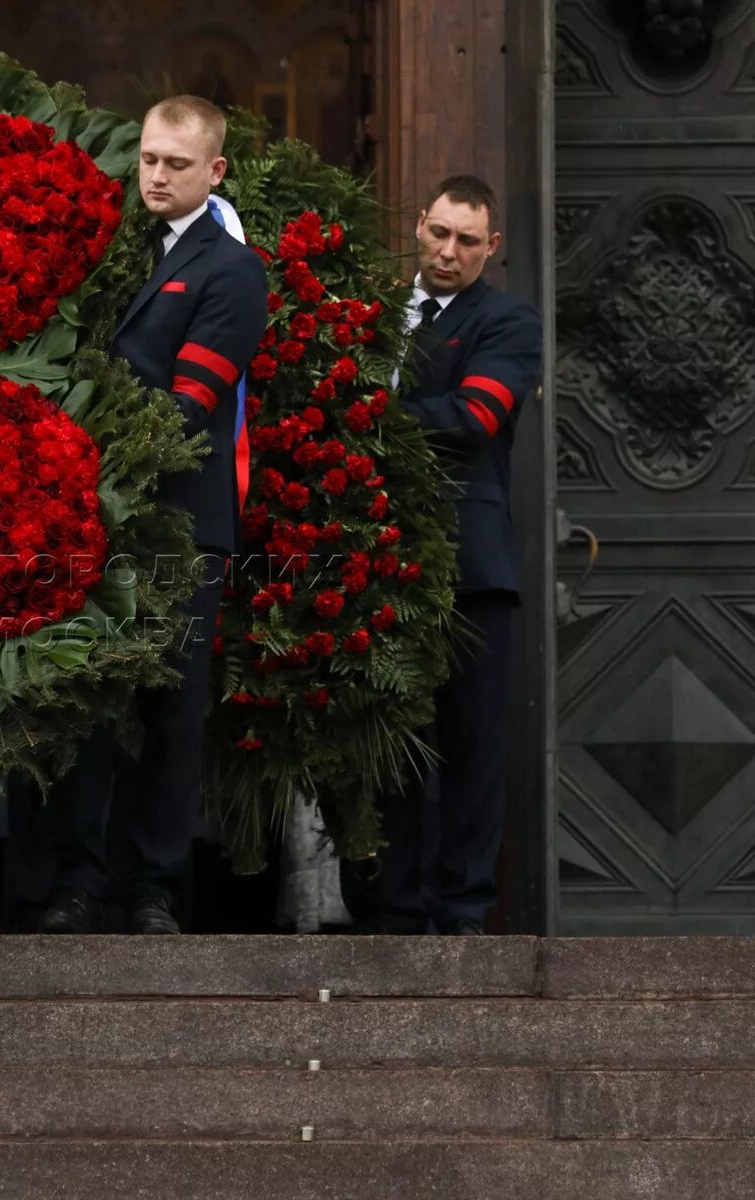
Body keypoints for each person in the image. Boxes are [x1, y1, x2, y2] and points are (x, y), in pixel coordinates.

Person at [37, 95, 268, 935]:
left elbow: (190, 405)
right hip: (100, 520)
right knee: (92, 703)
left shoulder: (232, 270)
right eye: (148, 159)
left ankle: (156, 890)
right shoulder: (126, 251)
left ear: (216, 171)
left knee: (170, 709)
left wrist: (81, 461)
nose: (157, 175)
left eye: (177, 162)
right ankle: (80, 881)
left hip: (176, 522)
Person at [379, 175, 542, 935]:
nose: (448, 252)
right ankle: (397, 906)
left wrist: (366, 412)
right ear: (420, 224)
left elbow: (476, 416)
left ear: (492, 246)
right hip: (375, 558)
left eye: (467, 241)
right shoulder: (375, 314)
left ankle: (465, 910)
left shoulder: (509, 321)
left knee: (473, 747)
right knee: (391, 741)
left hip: (471, 565)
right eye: (439, 233)